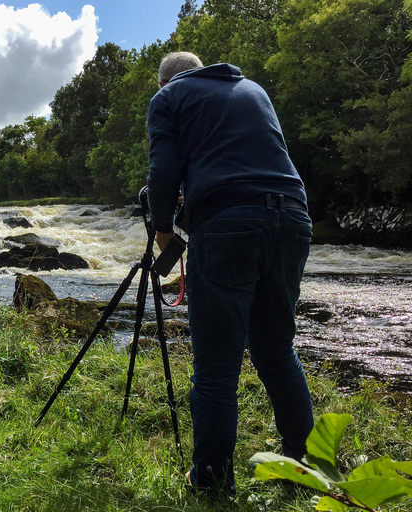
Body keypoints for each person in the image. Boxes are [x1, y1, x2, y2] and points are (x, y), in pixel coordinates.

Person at [146, 52, 314, 495]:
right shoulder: (253, 89)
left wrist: (163, 229)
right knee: (276, 350)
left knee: (216, 368)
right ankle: (304, 466)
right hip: (293, 219)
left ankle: (213, 484)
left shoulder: (169, 97)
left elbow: (163, 171)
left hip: (227, 225)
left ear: (163, 82)